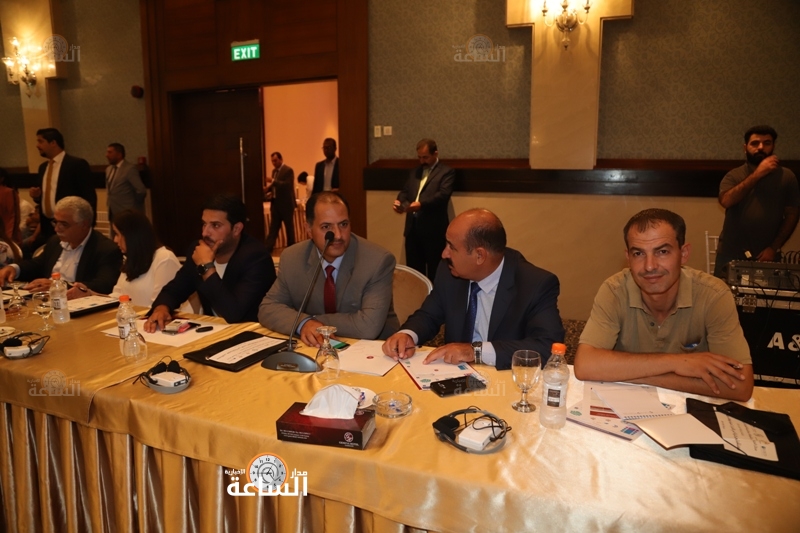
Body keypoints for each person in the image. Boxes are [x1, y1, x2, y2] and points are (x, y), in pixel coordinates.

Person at [574, 208, 754, 401]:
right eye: (638, 253)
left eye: (662, 252)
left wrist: (630, 374)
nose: (650, 266)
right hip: (628, 405)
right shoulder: (614, 290)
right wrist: (677, 363)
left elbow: (741, 386)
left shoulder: (714, 295)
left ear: (683, 253)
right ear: (628, 258)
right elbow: (585, 365)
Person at [383, 208, 564, 370]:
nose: (444, 254)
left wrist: (475, 351)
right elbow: (428, 315)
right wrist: (408, 335)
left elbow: (547, 347)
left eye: (451, 247)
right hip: (454, 375)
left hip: (505, 380)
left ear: (479, 255)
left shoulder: (535, 284)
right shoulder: (449, 271)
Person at [259, 192, 399, 346]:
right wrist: (303, 323)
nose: (337, 235)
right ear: (308, 229)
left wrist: (311, 321)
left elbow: (368, 326)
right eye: (326, 227)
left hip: (374, 350)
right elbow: (268, 308)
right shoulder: (293, 258)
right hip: (316, 348)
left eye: (343, 224)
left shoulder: (377, 261)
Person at [145, 195, 275, 331]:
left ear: (236, 229)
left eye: (215, 225)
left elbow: (233, 313)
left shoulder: (256, 258)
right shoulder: (198, 250)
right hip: (214, 332)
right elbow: (174, 289)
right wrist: (162, 307)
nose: (205, 233)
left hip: (252, 334)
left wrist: (206, 267)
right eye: (204, 224)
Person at [714, 125, 800, 278]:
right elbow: (726, 201)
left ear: (773, 146)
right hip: (730, 253)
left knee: (768, 294)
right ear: (745, 147)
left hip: (768, 255)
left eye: (767, 143)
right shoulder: (734, 175)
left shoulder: (787, 177)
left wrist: (773, 248)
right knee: (723, 293)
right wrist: (758, 174)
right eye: (755, 143)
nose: (761, 147)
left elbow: (792, 215)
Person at [0, 196, 122, 298]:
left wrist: (58, 286)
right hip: (46, 300)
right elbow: (38, 264)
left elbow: (104, 285)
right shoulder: (55, 242)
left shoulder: (105, 249)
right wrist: (14, 268)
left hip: (77, 305)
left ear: (84, 225)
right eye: (55, 222)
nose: (57, 229)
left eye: (64, 224)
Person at [70, 210, 181, 308]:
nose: (115, 240)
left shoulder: (164, 259)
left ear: (131, 236)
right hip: (136, 320)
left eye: (117, 234)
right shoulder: (131, 259)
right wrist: (89, 294)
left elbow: (160, 306)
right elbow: (117, 297)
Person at [393, 139, 455, 280]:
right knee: (414, 273)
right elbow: (405, 191)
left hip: (433, 231)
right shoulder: (415, 172)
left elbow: (443, 196)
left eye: (425, 157)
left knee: (435, 271)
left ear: (435, 153)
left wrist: (421, 205)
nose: (422, 161)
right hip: (413, 230)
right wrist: (400, 203)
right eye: (419, 157)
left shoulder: (446, 172)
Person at [30, 128, 97, 245]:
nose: (37, 145)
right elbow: (48, 197)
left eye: (40, 141)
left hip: (70, 225)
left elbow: (89, 196)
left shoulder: (76, 164)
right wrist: (37, 197)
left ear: (53, 143)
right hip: (47, 226)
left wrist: (87, 225)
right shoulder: (42, 168)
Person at [105, 143, 147, 236]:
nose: (106, 155)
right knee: (115, 238)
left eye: (110, 152)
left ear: (119, 154)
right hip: (113, 212)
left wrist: (133, 207)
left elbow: (141, 190)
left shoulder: (129, 169)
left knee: (128, 237)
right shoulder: (108, 169)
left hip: (127, 212)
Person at [264, 152, 296, 254]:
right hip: (276, 204)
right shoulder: (274, 171)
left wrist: (273, 181)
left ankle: (292, 250)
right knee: (273, 229)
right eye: (272, 161)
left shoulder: (288, 170)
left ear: (281, 159)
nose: (273, 163)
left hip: (286, 205)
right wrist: (269, 191)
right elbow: (276, 187)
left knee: (289, 229)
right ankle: (267, 249)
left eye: (275, 160)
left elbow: (286, 185)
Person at [0, 168, 21, 245]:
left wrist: (8, 238)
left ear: (1, 179)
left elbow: (12, 216)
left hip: (6, 234)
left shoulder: (8, 192)